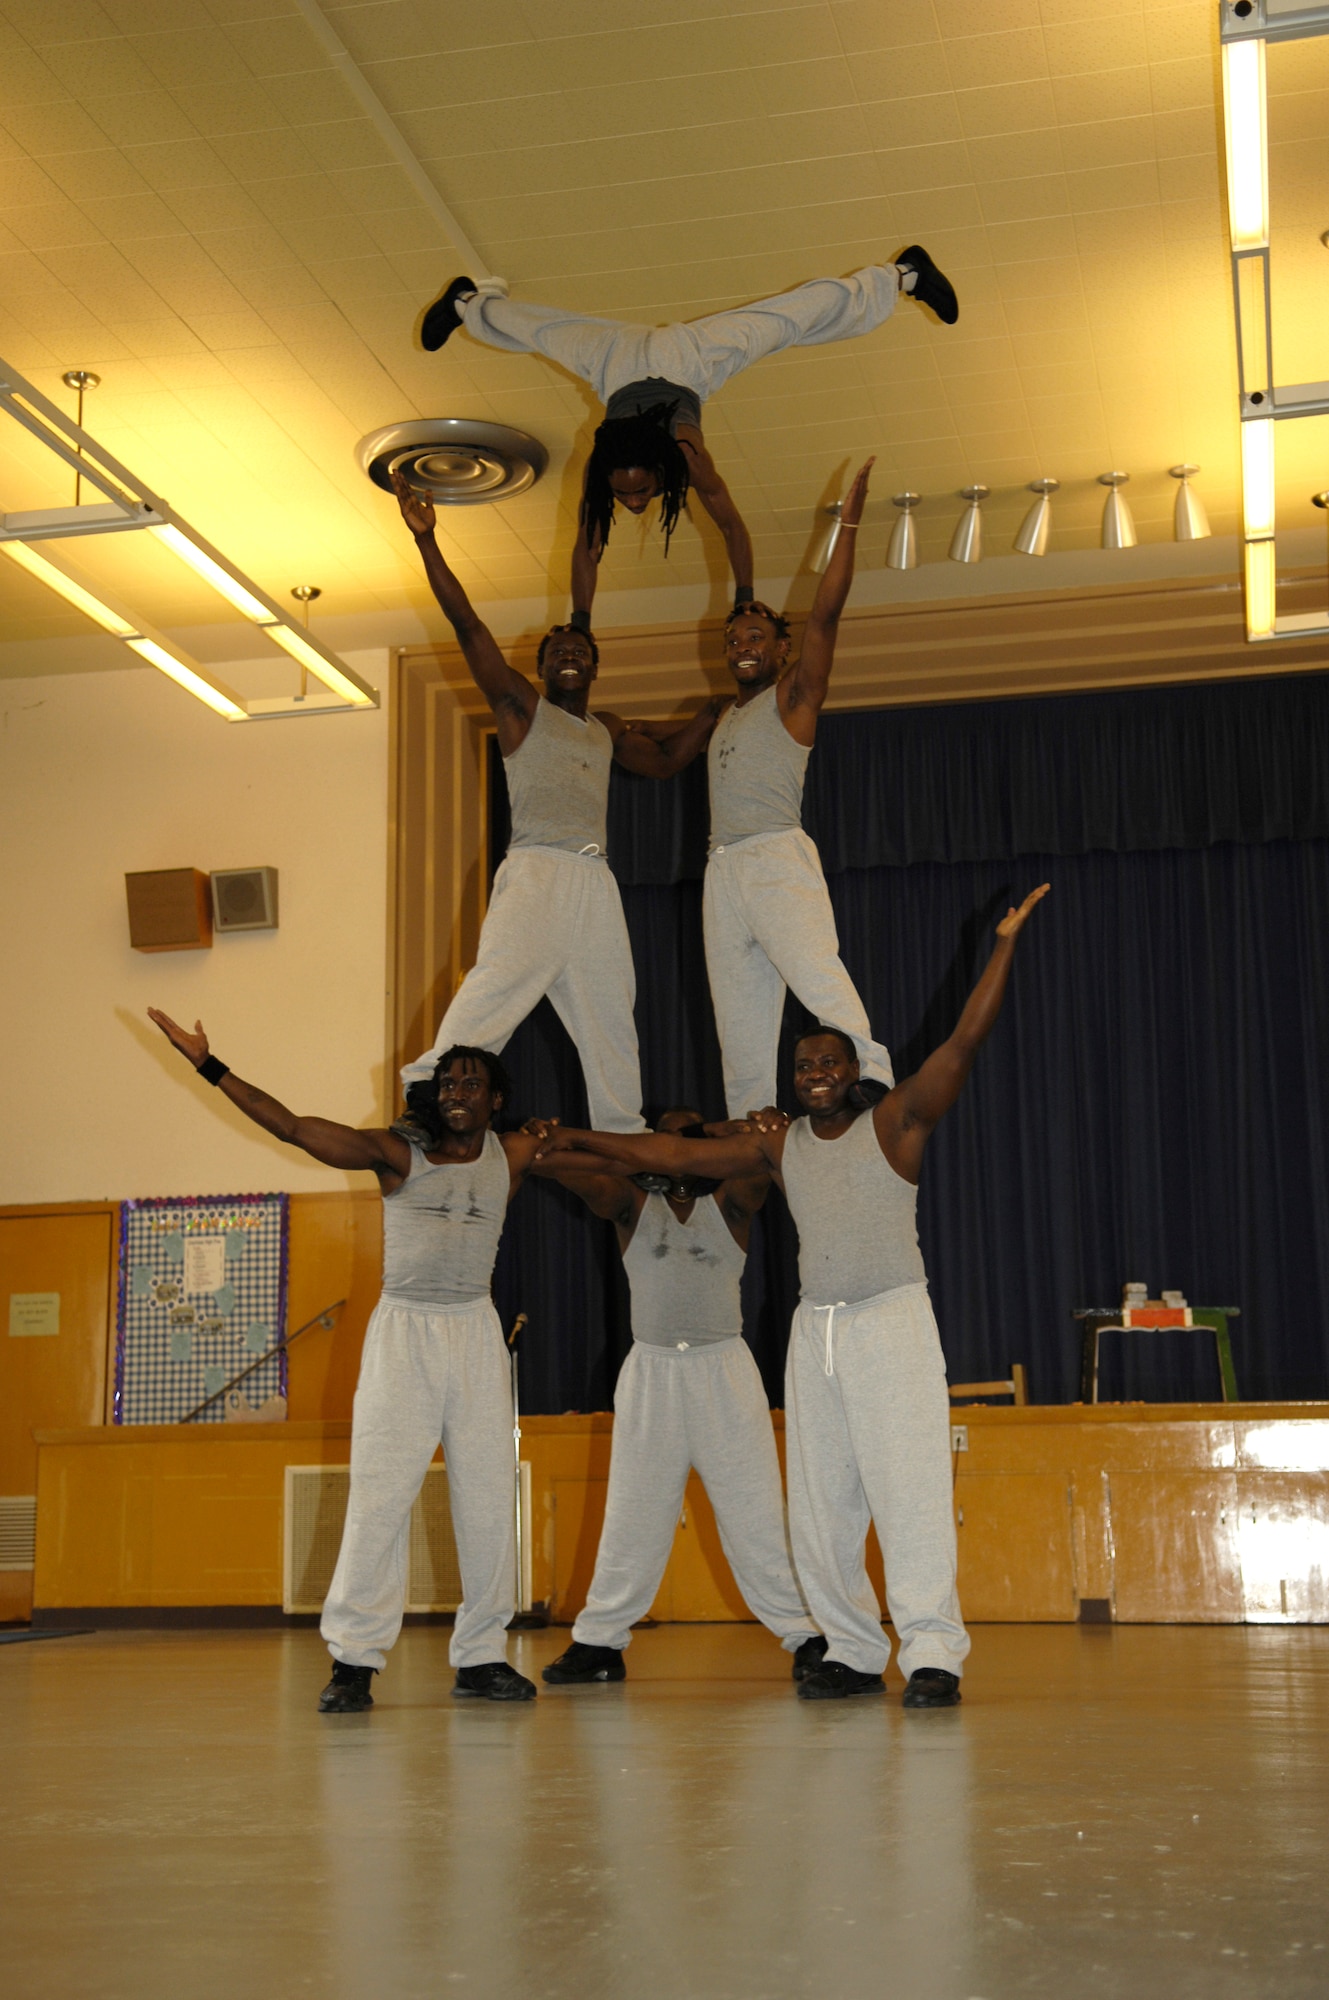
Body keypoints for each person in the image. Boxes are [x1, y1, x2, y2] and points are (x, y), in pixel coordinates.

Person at [532, 885, 1050, 1706]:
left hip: (890, 1319)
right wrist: (584, 1138)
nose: (814, 1075)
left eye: (828, 1064)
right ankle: (848, 1647)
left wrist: (1004, 947)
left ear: (856, 1073)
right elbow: (672, 1151)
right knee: (821, 1498)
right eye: (803, 1066)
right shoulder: (777, 1146)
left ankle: (931, 1655)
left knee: (907, 1488)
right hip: (817, 1333)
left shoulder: (896, 1125)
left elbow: (963, 1042)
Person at [147, 1011, 565, 1709]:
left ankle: (482, 1656)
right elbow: (290, 1126)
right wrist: (208, 1065)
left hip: (474, 1333)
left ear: (495, 1101)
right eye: (448, 1080)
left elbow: (605, 1154)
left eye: (473, 1081)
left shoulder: (514, 1153)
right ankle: (353, 1661)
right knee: (380, 1497)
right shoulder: (395, 1154)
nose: (458, 1089)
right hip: (405, 1332)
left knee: (489, 1500)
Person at [393, 468, 725, 1131]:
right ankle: (427, 1098)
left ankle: (623, 1133)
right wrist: (427, 541)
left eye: (579, 650)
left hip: (594, 883)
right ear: (541, 669)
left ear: (594, 669)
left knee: (611, 1011)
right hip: (538, 872)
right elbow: (465, 623)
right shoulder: (521, 709)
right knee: (496, 987)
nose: (569, 657)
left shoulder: (603, 730)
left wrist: (710, 717)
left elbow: (661, 763)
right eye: (557, 652)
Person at [418, 256, 959, 626]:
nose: (631, 503)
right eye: (633, 496)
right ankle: (464, 303)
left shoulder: (638, 461)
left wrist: (581, 619)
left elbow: (593, 547)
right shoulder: (674, 459)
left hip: (649, 359)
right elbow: (730, 526)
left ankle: (905, 273)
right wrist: (745, 597)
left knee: (790, 318)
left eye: (632, 494)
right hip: (660, 360)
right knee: (543, 331)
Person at [526, 1109, 824, 1685]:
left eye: (685, 1137)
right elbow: (563, 1169)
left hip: (725, 1376)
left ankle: (806, 1634)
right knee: (631, 1514)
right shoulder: (630, 1206)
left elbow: (763, 1152)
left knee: (757, 1514)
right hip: (652, 1376)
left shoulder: (732, 1204)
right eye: (660, 1138)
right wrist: (546, 1140)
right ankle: (598, 1643)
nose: (673, 1146)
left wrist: (718, 1133)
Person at [705, 457, 893, 1118]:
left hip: (775, 857)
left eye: (756, 635)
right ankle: (748, 1122)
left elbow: (824, 617)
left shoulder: (793, 697)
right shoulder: (723, 715)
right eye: (733, 638)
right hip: (721, 870)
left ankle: (872, 1073)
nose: (742, 644)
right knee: (738, 1013)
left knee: (816, 972)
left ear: (780, 649)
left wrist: (847, 522)